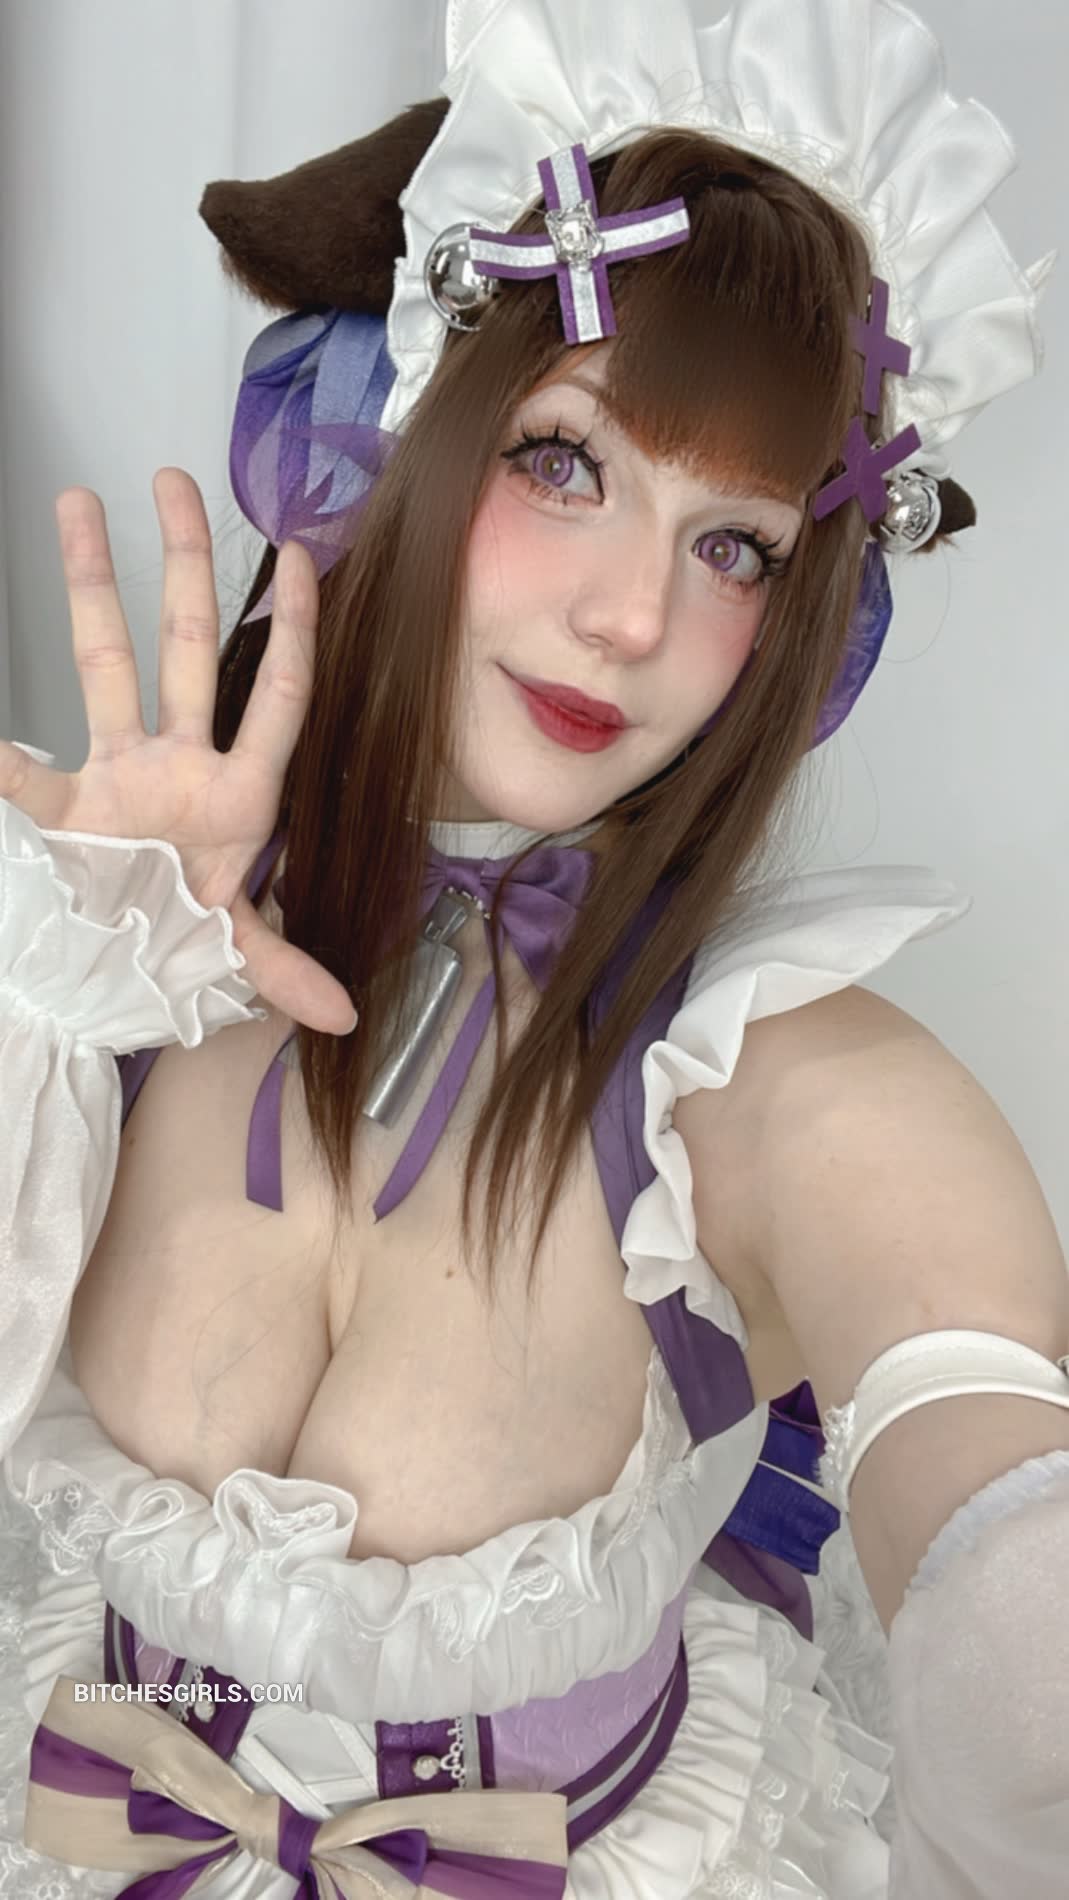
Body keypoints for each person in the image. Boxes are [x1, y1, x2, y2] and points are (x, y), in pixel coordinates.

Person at [1, 0, 1068, 1894]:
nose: (632, 614)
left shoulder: (765, 1072)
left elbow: (994, 1515)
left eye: (736, 548)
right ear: (387, 432)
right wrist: (39, 997)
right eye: (567, 461)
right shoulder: (120, 944)